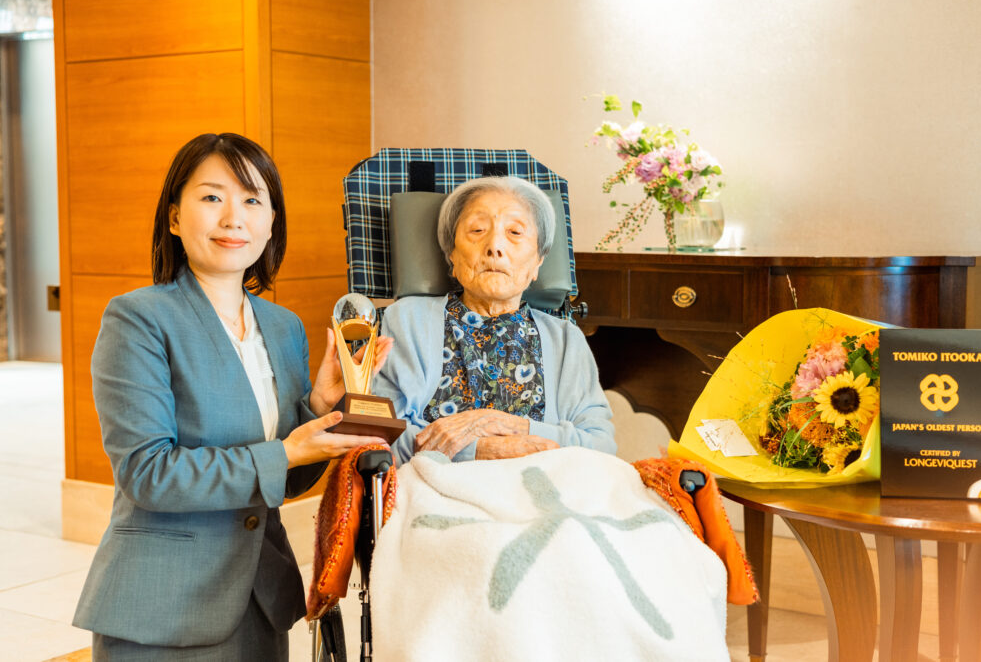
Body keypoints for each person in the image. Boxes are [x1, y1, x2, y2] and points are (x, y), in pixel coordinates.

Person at [73, 133, 391, 660]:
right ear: (174, 217)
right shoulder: (139, 319)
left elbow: (285, 480)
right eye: (212, 197)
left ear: (271, 222)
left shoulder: (284, 327)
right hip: (163, 604)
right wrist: (287, 451)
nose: (233, 217)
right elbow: (148, 473)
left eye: (252, 200)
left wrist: (318, 412)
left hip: (261, 599)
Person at [375, 175, 615, 465]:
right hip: (438, 494)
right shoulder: (407, 320)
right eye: (477, 230)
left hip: (546, 495)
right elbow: (384, 433)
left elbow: (601, 447)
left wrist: (494, 422)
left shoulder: (565, 339)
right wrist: (481, 452)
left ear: (538, 261)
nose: (495, 247)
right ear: (451, 253)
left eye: (515, 232)